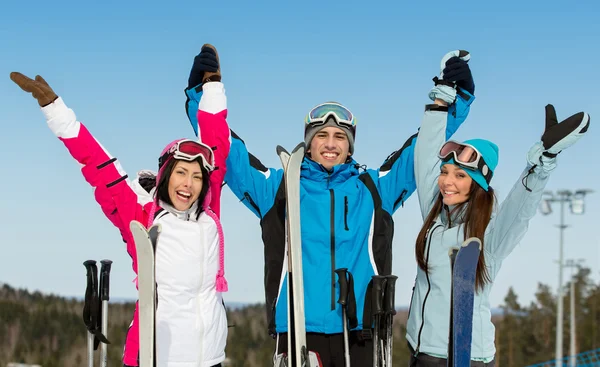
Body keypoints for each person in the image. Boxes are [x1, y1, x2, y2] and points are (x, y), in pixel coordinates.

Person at [185, 46, 476, 365]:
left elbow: (422, 148)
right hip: (297, 331)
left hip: (362, 332)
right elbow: (226, 150)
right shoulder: (280, 188)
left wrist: (454, 99)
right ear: (309, 143)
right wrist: (205, 93)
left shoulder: (374, 188)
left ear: (350, 144)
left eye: (340, 136)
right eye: (321, 135)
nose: (330, 143)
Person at [10, 70, 231, 367]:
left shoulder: (209, 215)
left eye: (196, 177)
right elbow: (100, 165)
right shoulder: (142, 215)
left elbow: (217, 143)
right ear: (166, 175)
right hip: (155, 357)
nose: (188, 184)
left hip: (210, 359)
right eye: (181, 172)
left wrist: (213, 86)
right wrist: (56, 110)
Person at [406, 76, 590, 365]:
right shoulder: (435, 216)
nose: (447, 182)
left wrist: (541, 164)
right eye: (445, 172)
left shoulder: (488, 233)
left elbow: (521, 208)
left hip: (466, 357)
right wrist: (439, 105)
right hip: (421, 352)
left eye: (460, 175)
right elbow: (425, 157)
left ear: (477, 184)